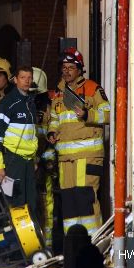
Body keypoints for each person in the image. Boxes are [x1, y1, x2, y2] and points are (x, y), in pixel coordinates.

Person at [47, 47, 110, 236]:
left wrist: (87, 114)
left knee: (85, 201)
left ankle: (94, 245)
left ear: (80, 69)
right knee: (69, 203)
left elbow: (107, 114)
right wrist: (52, 132)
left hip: (87, 156)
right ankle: (73, 244)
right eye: (64, 67)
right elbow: (54, 119)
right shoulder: (58, 93)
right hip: (66, 158)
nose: (66, 71)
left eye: (70, 67)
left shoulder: (92, 88)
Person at [0, 65, 38, 215]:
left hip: (28, 162)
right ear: (15, 80)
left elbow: (31, 135)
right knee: (13, 204)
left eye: (29, 78)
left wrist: (34, 159)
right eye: (23, 77)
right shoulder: (7, 104)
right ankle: (13, 238)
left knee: (31, 204)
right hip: (11, 162)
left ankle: (28, 238)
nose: (26, 81)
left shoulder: (31, 104)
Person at [30, 67, 56, 248]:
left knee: (45, 207)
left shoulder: (45, 110)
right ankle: (33, 246)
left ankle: (45, 247)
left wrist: (45, 161)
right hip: (31, 166)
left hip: (42, 167)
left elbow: (47, 139)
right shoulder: (25, 107)